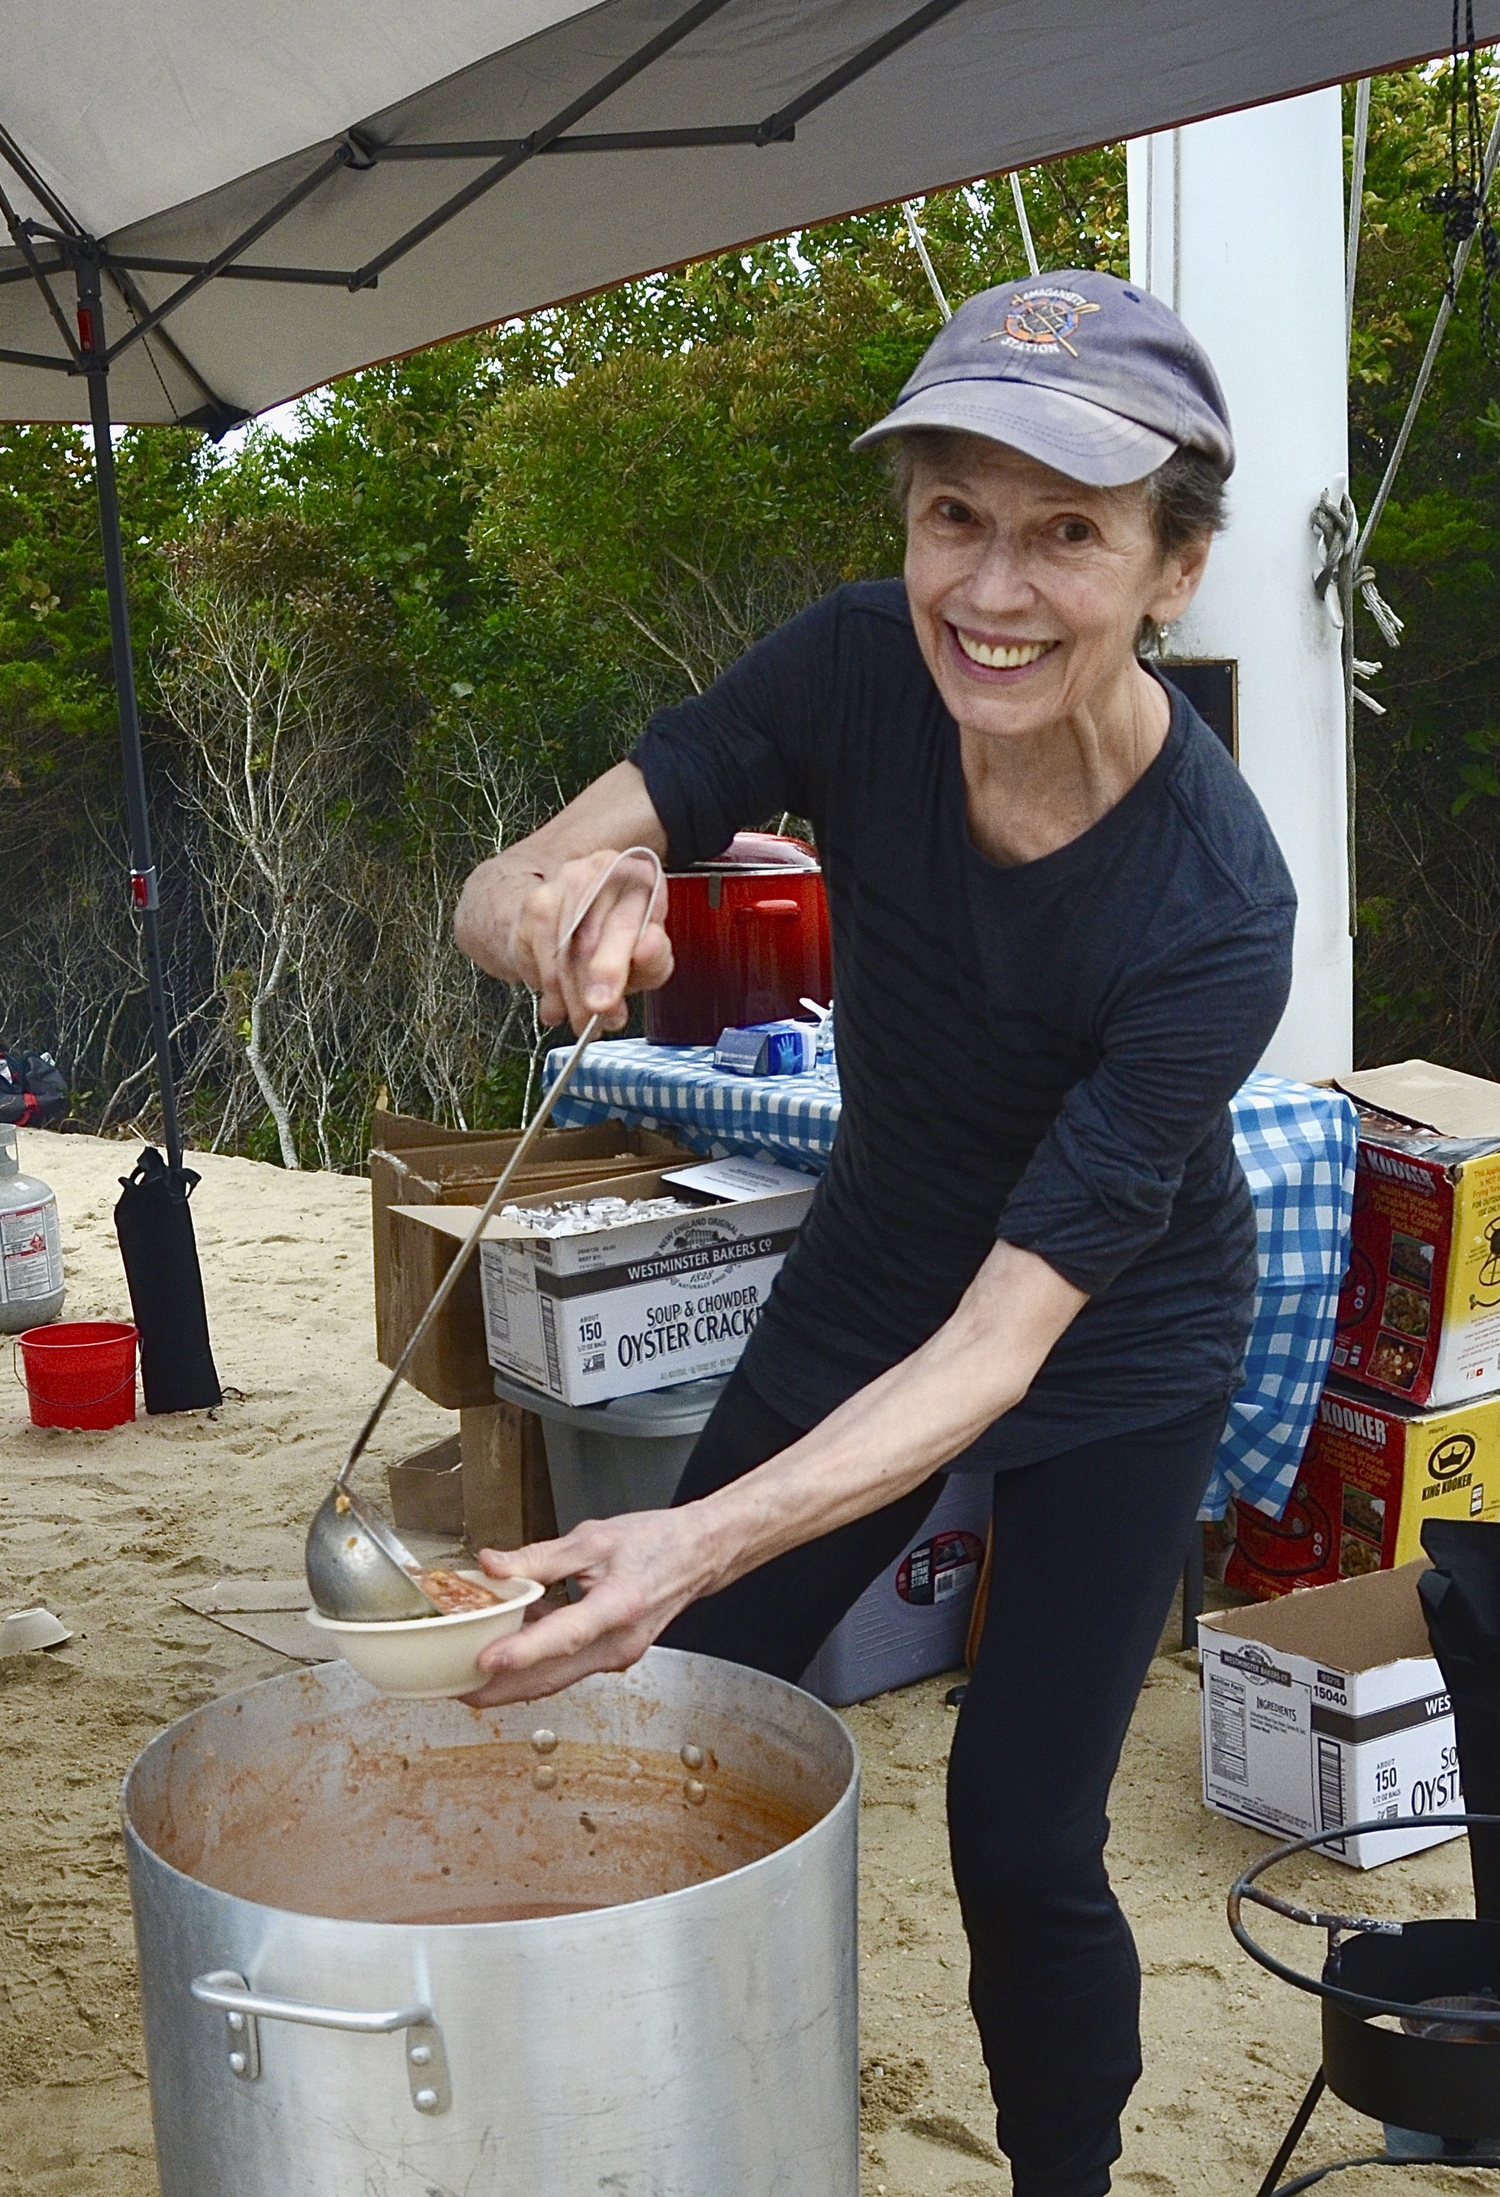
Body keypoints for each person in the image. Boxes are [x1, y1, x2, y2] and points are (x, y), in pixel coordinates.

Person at [453, 268, 1295, 2197]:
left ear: (1172, 569)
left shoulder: (1215, 902)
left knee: (1018, 1826)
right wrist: (564, 906)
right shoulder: (852, 667)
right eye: (952, 515)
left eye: (1067, 531)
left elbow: (1004, 1354)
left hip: (1108, 1345)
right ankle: (643, 2130)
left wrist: (693, 1526)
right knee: (671, 1720)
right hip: (880, 1258)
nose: (989, 592)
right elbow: (519, 870)